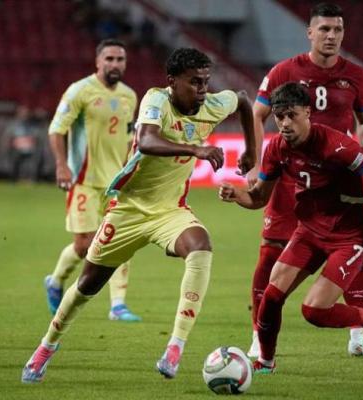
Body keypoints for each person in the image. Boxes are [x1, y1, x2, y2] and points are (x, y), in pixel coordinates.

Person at [21, 47, 256, 383]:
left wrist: (251, 150)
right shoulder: (156, 99)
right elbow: (146, 140)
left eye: (206, 82)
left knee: (201, 245)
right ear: (173, 81)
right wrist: (197, 150)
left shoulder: (214, 104)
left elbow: (245, 99)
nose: (203, 89)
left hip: (169, 210)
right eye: (194, 82)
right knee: (88, 284)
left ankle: (175, 347)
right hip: (128, 208)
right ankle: (46, 346)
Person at [220, 82, 363, 372]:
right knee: (270, 298)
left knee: (313, 311)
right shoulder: (277, 148)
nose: (285, 123)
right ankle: (265, 363)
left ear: (308, 113)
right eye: (279, 116)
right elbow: (260, 197)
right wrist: (238, 195)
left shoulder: (335, 146)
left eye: (291, 115)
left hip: (351, 232)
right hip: (310, 228)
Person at [247, 2, 363, 358]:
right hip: (290, 180)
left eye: (337, 30)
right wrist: (255, 162)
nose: (331, 36)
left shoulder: (357, 75)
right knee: (271, 255)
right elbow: (257, 115)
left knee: (349, 252)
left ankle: (358, 329)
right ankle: (259, 337)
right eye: (324, 29)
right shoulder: (283, 71)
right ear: (309, 32)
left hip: (335, 186)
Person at [43, 38, 141, 323]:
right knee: (85, 245)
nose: (114, 64)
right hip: (83, 180)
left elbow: (127, 138)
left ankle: (118, 305)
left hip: (115, 184)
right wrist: (62, 166)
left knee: (119, 240)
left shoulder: (130, 96)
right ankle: (55, 280)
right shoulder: (80, 91)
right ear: (97, 62)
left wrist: (129, 172)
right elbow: (56, 129)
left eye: (119, 59)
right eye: (109, 59)